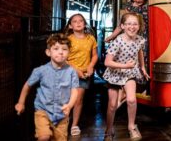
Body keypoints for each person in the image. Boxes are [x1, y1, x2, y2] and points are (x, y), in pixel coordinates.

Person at [15, 33, 79, 141]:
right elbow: (27, 85)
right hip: (43, 110)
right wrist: (21, 103)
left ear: (69, 53)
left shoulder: (72, 72)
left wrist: (69, 106)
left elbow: (75, 91)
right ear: (48, 52)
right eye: (56, 48)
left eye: (64, 49)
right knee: (44, 136)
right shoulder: (40, 71)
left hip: (62, 113)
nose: (60, 52)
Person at [102, 12, 150, 141]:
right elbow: (107, 62)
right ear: (122, 26)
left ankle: (131, 127)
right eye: (128, 24)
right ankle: (109, 130)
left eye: (135, 24)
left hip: (129, 74)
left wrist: (142, 67)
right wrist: (125, 66)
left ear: (139, 26)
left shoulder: (140, 40)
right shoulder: (117, 42)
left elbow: (139, 51)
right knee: (112, 105)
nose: (132, 27)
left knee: (131, 100)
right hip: (114, 74)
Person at [63, 13, 98, 136]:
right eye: (74, 21)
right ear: (70, 26)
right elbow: (63, 58)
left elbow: (94, 55)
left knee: (78, 100)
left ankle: (74, 125)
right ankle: (63, 122)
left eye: (81, 21)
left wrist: (90, 66)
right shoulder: (67, 40)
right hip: (67, 72)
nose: (78, 23)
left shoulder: (91, 39)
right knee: (66, 99)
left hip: (83, 75)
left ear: (84, 24)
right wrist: (75, 70)